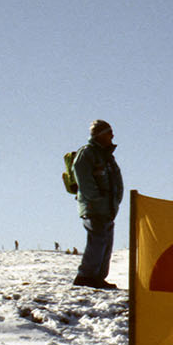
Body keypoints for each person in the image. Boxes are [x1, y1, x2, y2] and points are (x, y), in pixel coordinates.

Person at [71, 119, 123, 289]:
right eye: (109, 132)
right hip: (95, 207)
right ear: (100, 134)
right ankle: (85, 276)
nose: (112, 136)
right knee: (98, 240)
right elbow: (83, 178)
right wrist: (96, 198)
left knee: (106, 241)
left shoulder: (107, 156)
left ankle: (98, 277)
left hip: (107, 207)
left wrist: (113, 202)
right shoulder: (87, 153)